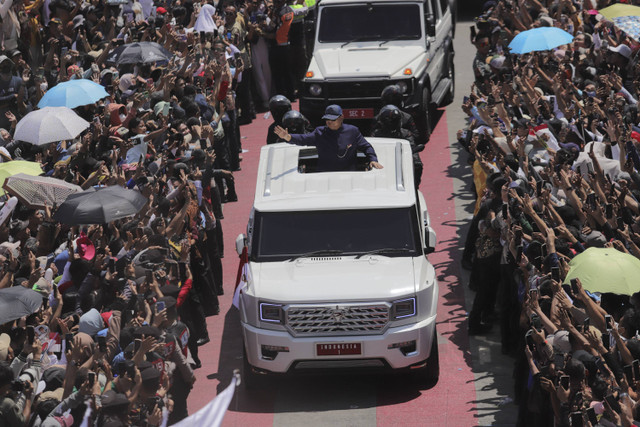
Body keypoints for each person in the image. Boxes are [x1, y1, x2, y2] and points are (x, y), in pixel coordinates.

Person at [274, 104, 383, 171]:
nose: (329, 122)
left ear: (341, 118)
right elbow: (303, 139)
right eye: (327, 120)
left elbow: (366, 147)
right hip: (324, 174)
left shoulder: (352, 131)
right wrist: (287, 137)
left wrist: (373, 160)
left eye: (333, 120)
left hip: (349, 174)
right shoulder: (319, 132)